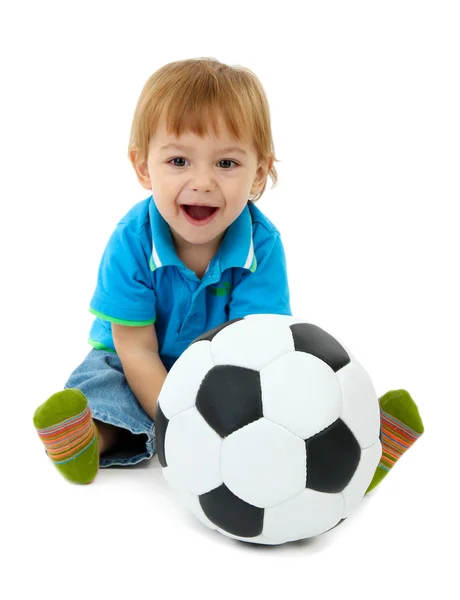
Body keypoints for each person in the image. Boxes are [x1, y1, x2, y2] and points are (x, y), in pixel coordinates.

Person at [33, 57, 424, 487]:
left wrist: (227, 410)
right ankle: (90, 437)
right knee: (103, 386)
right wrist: (180, 422)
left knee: (283, 399)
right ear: (144, 167)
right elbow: (136, 349)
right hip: (135, 360)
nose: (202, 182)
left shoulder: (262, 245)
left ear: (260, 173)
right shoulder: (132, 239)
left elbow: (258, 344)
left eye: (226, 164)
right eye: (179, 161)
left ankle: (363, 450)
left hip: (225, 366)